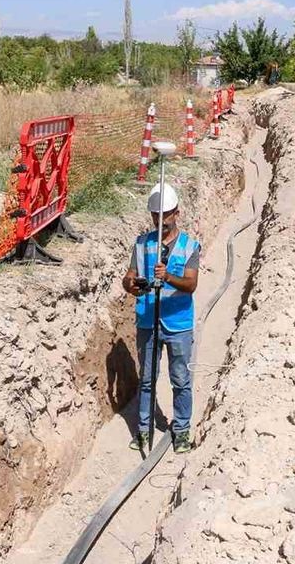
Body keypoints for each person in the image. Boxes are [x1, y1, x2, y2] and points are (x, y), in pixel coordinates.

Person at [121, 183, 201, 454]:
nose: (161, 221)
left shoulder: (189, 246)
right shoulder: (142, 244)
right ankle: (143, 431)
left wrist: (167, 276)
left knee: (180, 379)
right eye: (156, 215)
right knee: (146, 379)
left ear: (177, 213)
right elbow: (129, 276)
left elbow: (190, 284)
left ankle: (182, 430)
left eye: (166, 215)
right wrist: (131, 285)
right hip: (148, 321)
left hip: (178, 323)